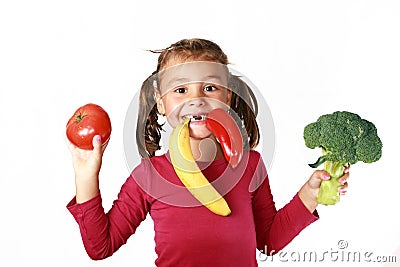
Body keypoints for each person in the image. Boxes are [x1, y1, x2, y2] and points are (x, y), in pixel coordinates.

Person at [66, 38, 350, 266]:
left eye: (210, 87)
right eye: (180, 90)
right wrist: (85, 175)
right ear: (161, 104)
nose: (196, 99)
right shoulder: (150, 176)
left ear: (227, 97)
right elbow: (100, 247)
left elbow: (268, 243)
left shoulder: (251, 165)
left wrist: (310, 194)